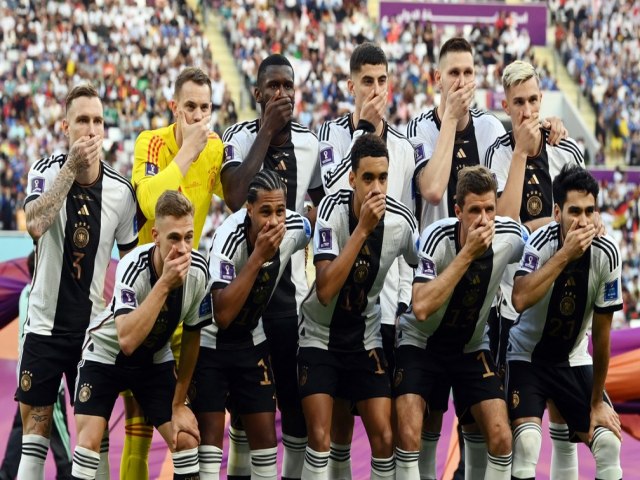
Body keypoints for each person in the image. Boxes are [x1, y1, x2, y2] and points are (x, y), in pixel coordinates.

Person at [17, 83, 138, 478]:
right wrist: (71, 167)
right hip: (43, 331)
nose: (90, 129)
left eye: (97, 121)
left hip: (93, 338)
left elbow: (132, 263)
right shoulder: (46, 170)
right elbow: (35, 224)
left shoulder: (121, 192)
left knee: (94, 443)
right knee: (33, 442)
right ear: (65, 126)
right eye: (82, 120)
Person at [221, 54, 324, 479]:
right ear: (258, 93)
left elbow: (320, 208)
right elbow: (232, 195)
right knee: (245, 414)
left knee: (294, 411)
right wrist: (265, 130)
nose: (282, 94)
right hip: (243, 294)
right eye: (274, 87)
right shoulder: (239, 136)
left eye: (289, 87)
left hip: (289, 299)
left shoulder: (311, 143)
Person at [317, 42, 415, 478]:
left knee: (386, 424)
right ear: (350, 84)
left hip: (386, 302)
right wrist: (362, 132)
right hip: (336, 300)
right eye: (367, 81)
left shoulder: (405, 148)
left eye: (381, 81)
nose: (375, 89)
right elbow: (326, 195)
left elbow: (412, 217)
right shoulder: (329, 136)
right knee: (338, 419)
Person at [483, 60, 585, 477]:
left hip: (563, 300)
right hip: (513, 305)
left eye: (533, 101)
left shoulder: (567, 150)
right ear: (506, 106)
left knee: (566, 424)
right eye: (518, 103)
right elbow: (500, 228)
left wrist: (546, 227)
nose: (527, 111)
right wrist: (523, 154)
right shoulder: (499, 153)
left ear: (542, 101)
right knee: (519, 432)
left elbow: (582, 221)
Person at [297, 134, 419, 479]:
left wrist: (408, 307)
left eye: (383, 177)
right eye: (368, 178)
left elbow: (424, 262)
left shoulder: (401, 222)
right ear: (352, 179)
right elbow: (324, 289)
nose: (376, 187)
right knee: (321, 439)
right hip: (319, 337)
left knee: (383, 436)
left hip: (365, 339)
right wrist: (363, 230)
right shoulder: (331, 215)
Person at [394, 166, 526, 480]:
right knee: (412, 433)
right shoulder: (436, 237)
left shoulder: (508, 235)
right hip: (421, 343)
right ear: (458, 211)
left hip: (470, 346)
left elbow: (546, 244)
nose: (484, 219)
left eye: (490, 209)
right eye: (475, 210)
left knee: (502, 436)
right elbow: (422, 307)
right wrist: (467, 253)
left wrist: (589, 225)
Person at [125, 66, 225, 479]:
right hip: (146, 295)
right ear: (173, 107)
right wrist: (187, 152)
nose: (198, 117)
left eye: (205, 108)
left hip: (188, 301)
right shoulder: (150, 143)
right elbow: (150, 202)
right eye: (189, 108)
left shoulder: (216, 149)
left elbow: (238, 195)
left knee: (190, 427)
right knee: (138, 427)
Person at [72, 190, 210, 479]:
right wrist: (164, 285)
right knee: (88, 446)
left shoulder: (199, 273)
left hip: (152, 360)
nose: (183, 249)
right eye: (174, 238)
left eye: (188, 237)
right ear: (156, 236)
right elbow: (127, 341)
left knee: (185, 438)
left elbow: (193, 338)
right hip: (105, 355)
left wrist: (178, 403)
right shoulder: (132, 267)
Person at [191, 170, 312, 479]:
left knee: (266, 447)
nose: (274, 221)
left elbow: (312, 223)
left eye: (280, 211)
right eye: (265, 212)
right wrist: (258, 256)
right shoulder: (226, 239)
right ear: (248, 209)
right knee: (209, 453)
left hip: (251, 339)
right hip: (212, 344)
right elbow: (223, 314)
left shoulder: (294, 227)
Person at [508, 165, 623, 480]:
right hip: (526, 357)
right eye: (574, 211)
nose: (583, 221)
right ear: (557, 211)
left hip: (572, 359)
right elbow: (519, 298)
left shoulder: (607, 253)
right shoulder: (540, 243)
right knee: (529, 443)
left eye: (589, 211)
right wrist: (565, 254)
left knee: (609, 444)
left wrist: (597, 401)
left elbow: (601, 336)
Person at [0, 251, 72, 480]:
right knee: (60, 438)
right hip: (47, 377)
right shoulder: (45, 297)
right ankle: (68, 474)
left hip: (26, 374)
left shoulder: (24, 294)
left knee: (21, 428)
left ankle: (6, 473)